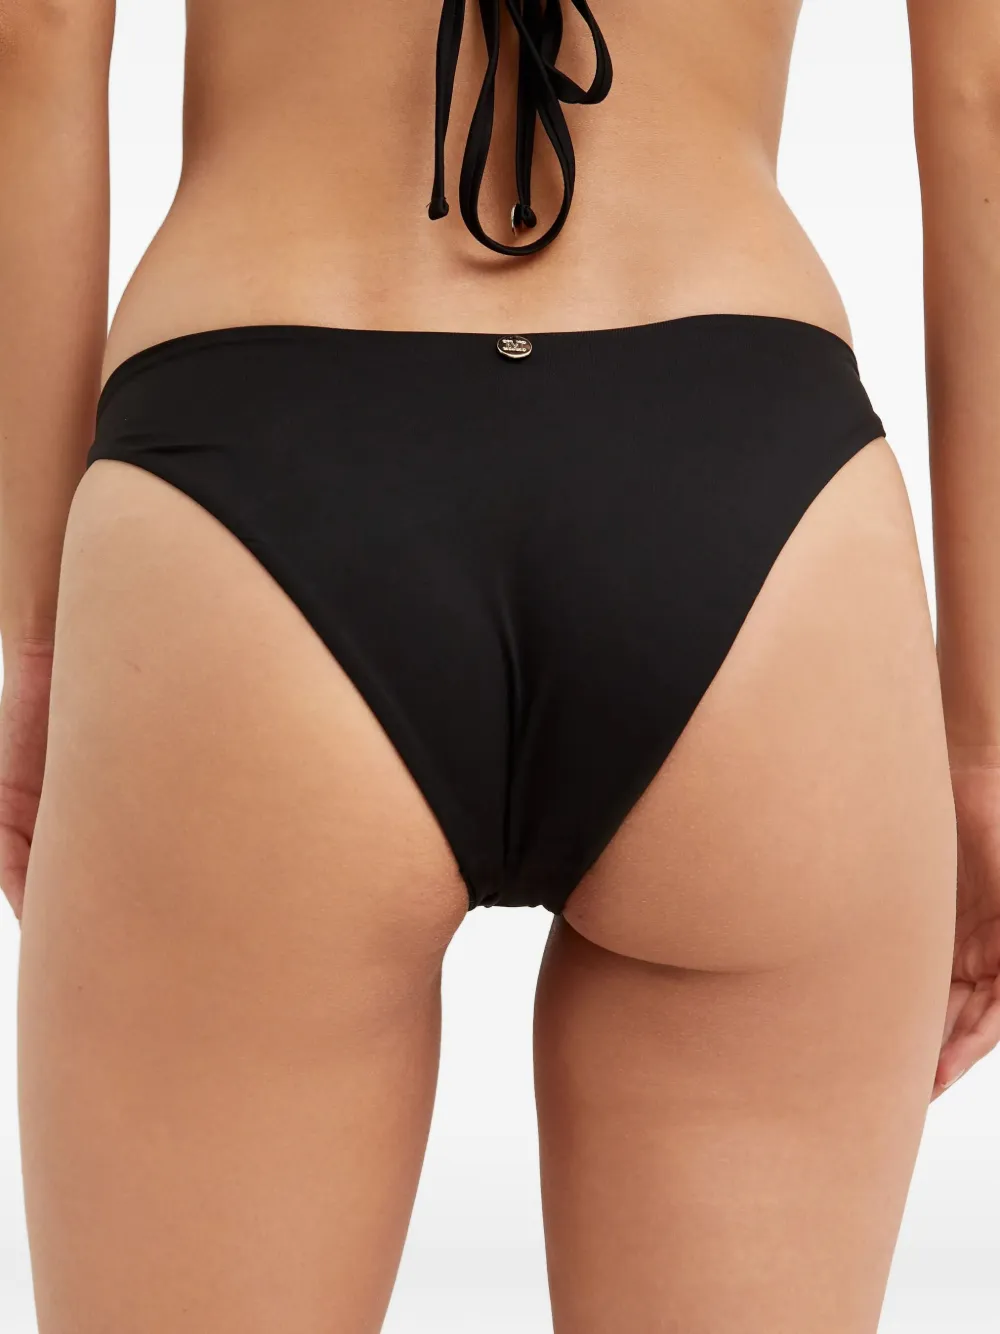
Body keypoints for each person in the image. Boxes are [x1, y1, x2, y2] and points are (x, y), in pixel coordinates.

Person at [1, 1, 997, 1329]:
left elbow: (32, 37)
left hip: (255, 451)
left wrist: (36, 641)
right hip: (752, 478)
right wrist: (985, 744)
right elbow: (986, 91)